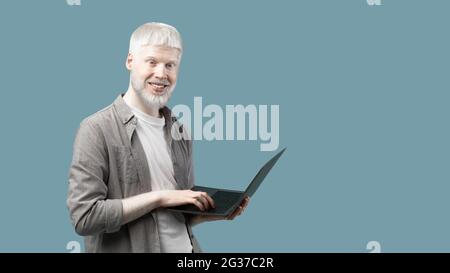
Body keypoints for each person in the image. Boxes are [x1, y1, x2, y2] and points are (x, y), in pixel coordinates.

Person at [67, 22, 250, 253]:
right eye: (152, 62)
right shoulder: (96, 129)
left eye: (170, 65)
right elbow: (85, 217)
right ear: (130, 61)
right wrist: (160, 198)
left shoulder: (180, 131)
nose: (161, 74)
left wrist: (214, 213)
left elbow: (176, 215)